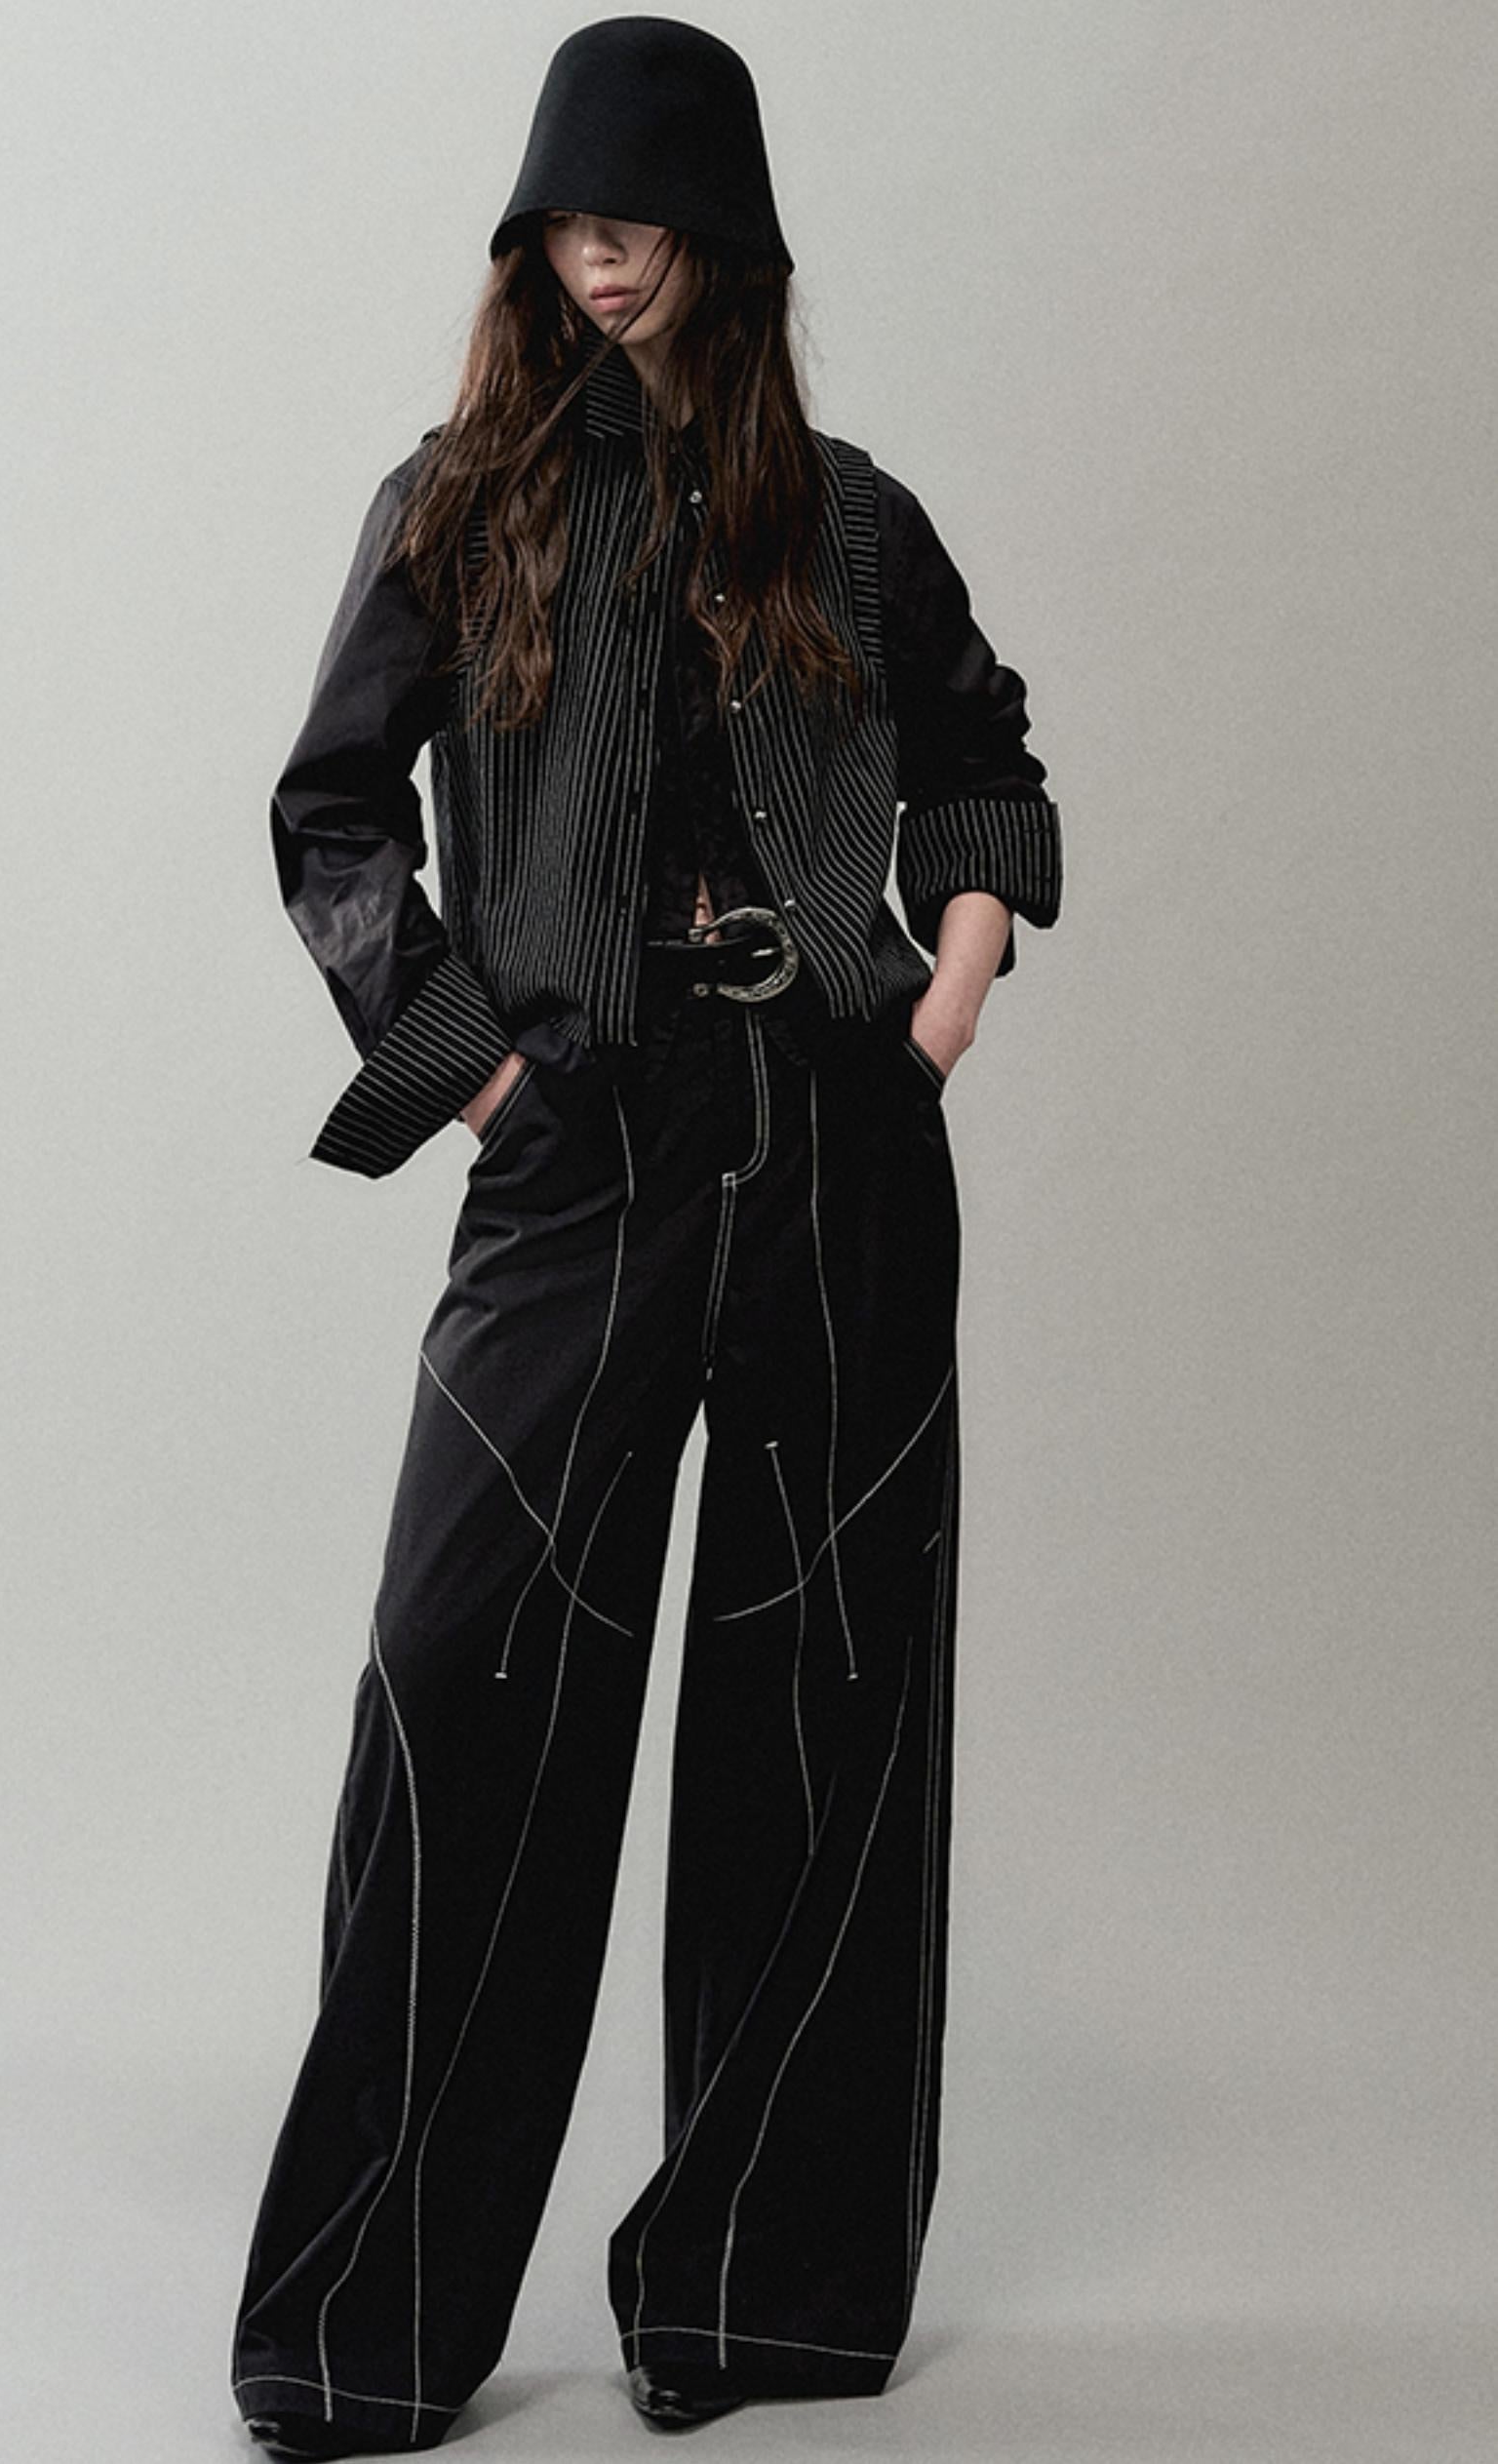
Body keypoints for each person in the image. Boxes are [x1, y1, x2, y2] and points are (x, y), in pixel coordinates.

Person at [228, 18, 1062, 2458]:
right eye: (566, 228)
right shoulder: (455, 504)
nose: (600, 265)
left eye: (642, 224)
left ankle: (764, 2302)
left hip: (831, 1135)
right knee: (459, 1678)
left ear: (729, 238)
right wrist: (471, 1064)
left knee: (824, 1701)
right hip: (576, 1135)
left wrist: (943, 992)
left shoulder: (854, 520)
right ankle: (361, 2334)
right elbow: (328, 813)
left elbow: (983, 754)